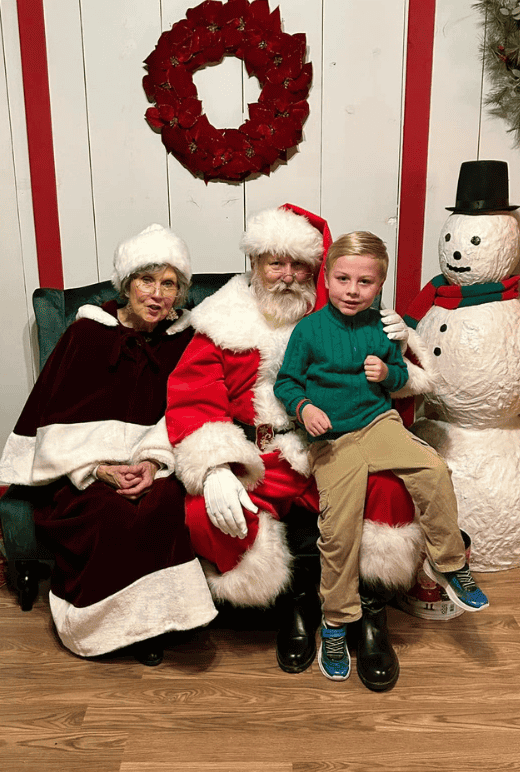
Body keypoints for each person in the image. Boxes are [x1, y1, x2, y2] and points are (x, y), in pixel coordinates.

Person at [166, 204, 435, 692]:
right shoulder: (221, 323)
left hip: (337, 445)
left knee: (390, 489)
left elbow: (395, 382)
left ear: (318, 273)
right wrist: (217, 469)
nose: (287, 276)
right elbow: (192, 397)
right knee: (209, 515)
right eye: (276, 263)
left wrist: (403, 340)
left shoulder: (343, 315)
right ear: (255, 265)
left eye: (300, 266)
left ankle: (371, 620)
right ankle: (293, 605)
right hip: (261, 456)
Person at [274, 231, 489, 683]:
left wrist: (388, 371)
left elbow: (398, 376)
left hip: (378, 424)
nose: (353, 290)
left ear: (380, 285)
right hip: (333, 439)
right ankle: (336, 622)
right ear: (326, 281)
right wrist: (304, 407)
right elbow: (286, 383)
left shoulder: (382, 327)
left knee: (431, 467)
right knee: (339, 527)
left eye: (365, 282)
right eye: (343, 279)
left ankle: (449, 564)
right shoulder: (309, 330)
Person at [0, 224, 217, 665]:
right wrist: (95, 469)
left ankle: (154, 623)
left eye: (169, 284)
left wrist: (155, 463)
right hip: (85, 473)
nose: (156, 294)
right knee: (110, 510)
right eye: (146, 280)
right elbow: (53, 419)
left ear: (180, 293)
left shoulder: (186, 342)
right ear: (127, 284)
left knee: (161, 504)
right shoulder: (85, 336)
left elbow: (190, 411)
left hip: (155, 467)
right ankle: (107, 627)